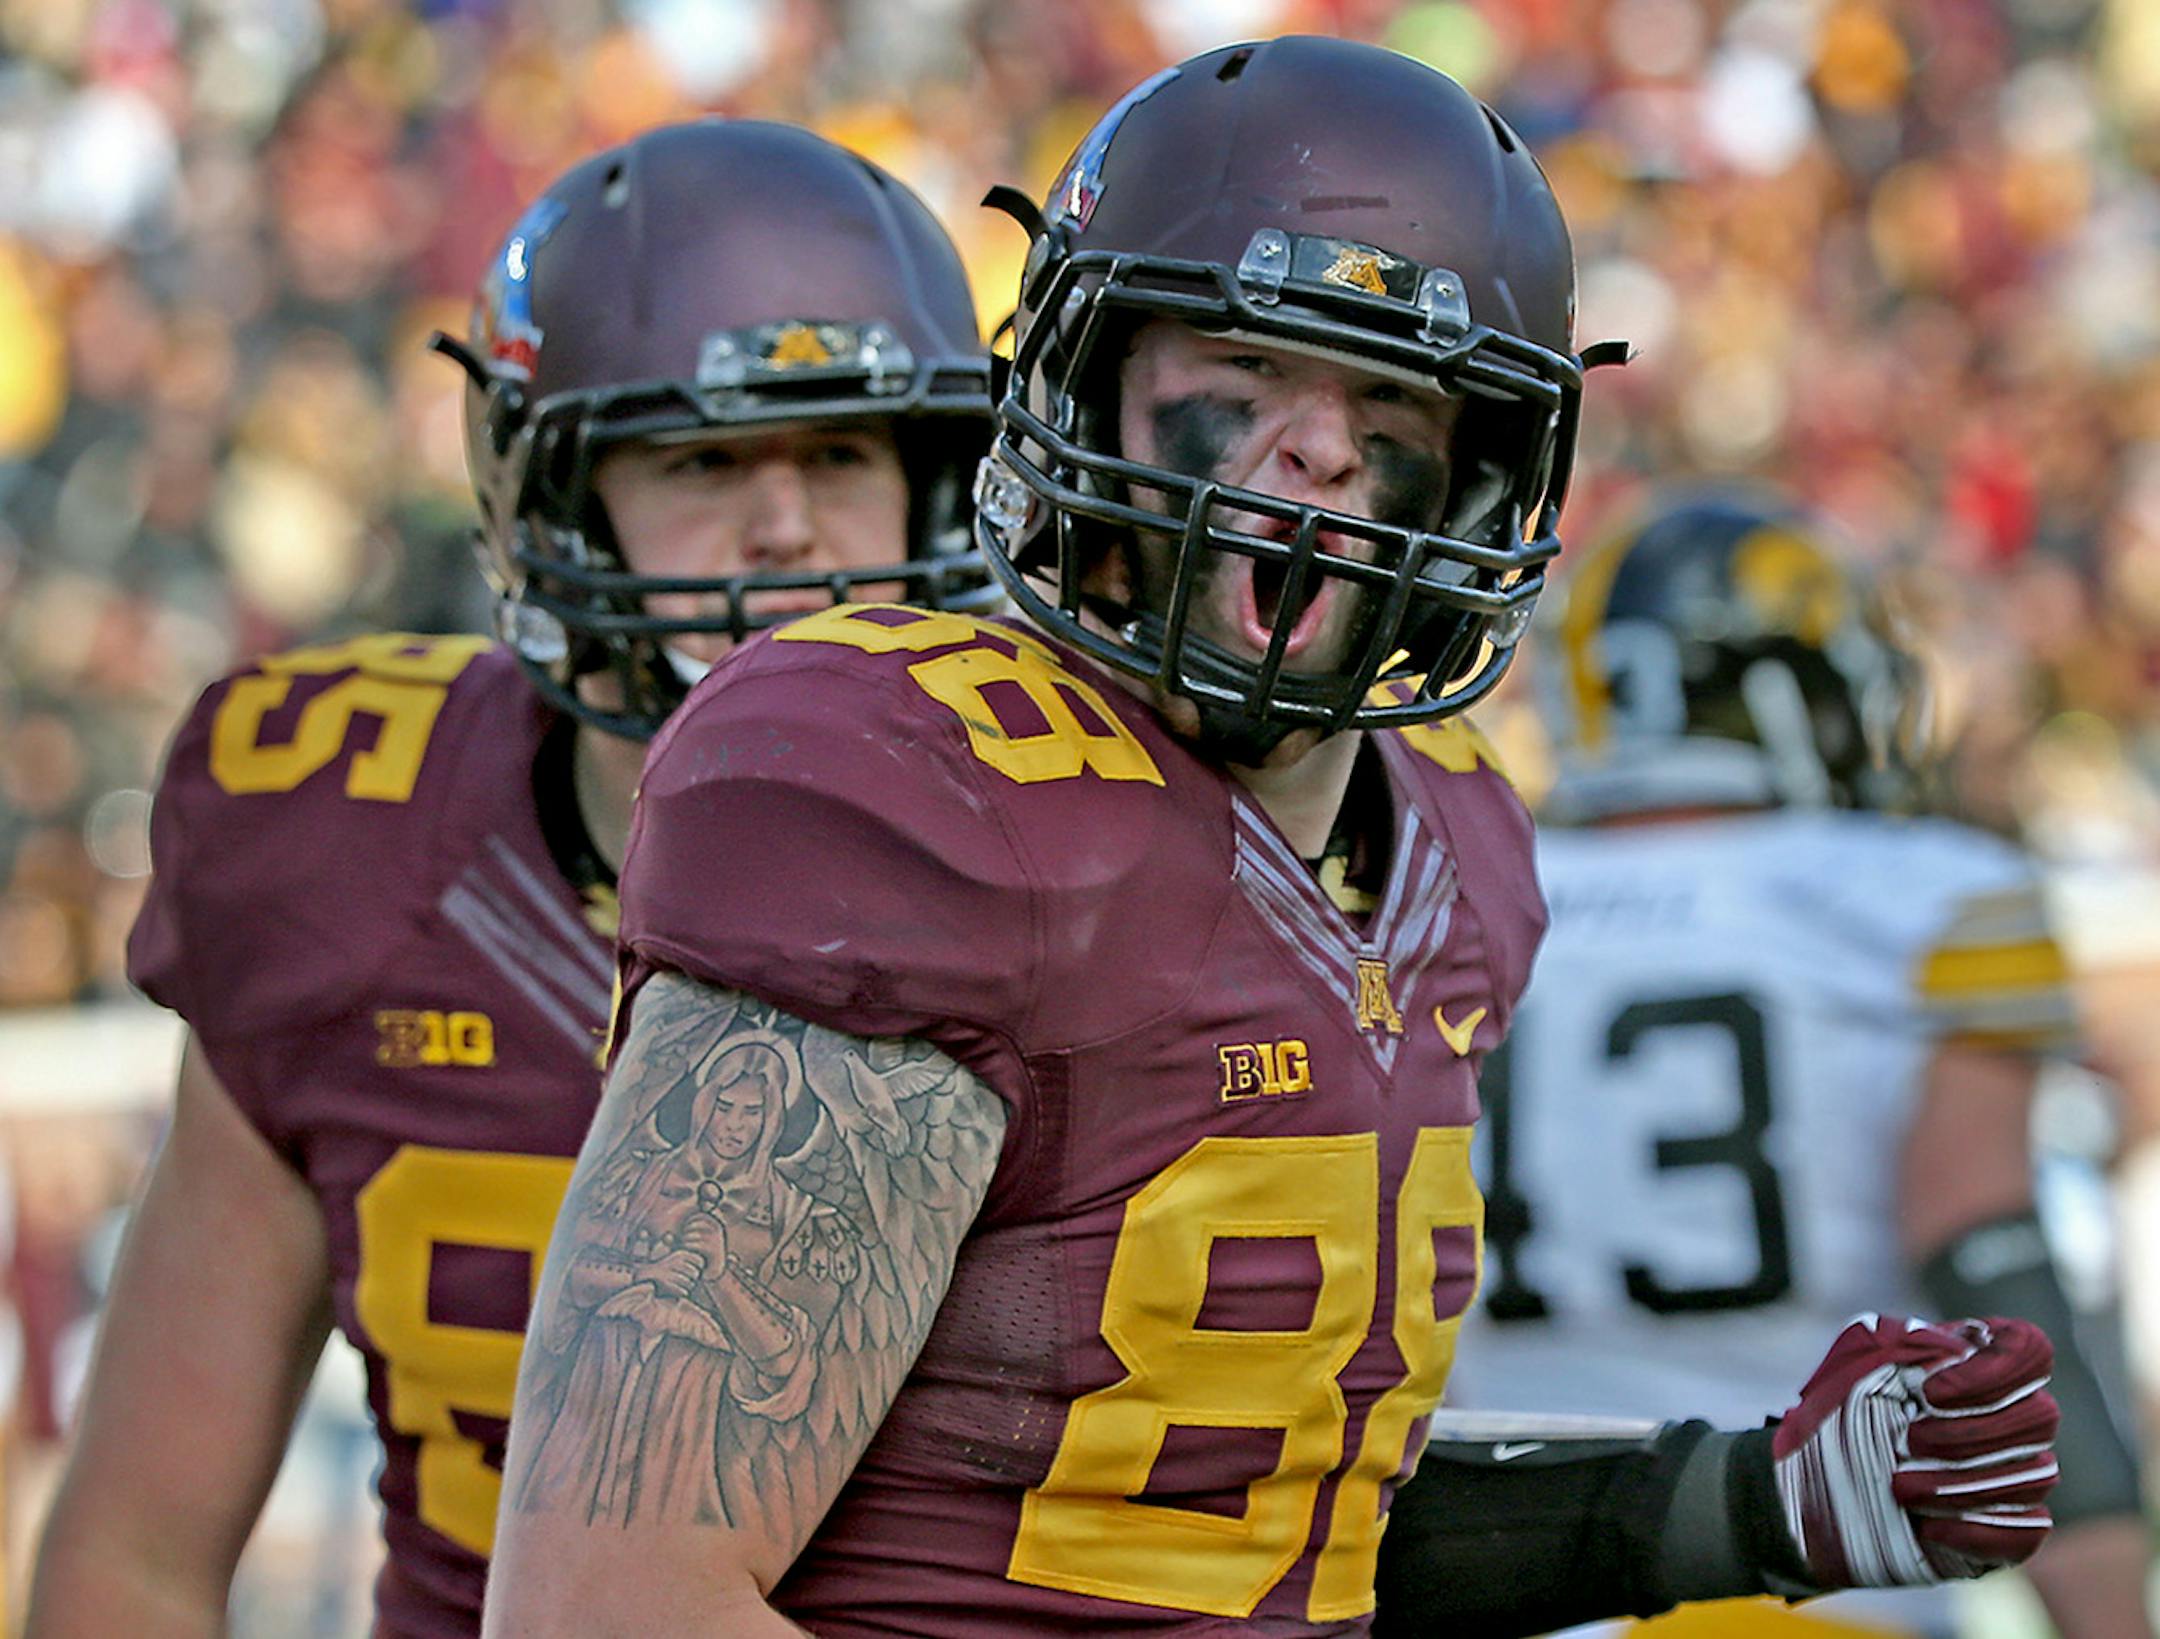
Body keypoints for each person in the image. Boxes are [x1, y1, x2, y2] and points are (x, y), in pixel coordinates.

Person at [485, 40, 2060, 1637]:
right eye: (1242, 367)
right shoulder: (918, 787)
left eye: (1393, 397)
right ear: (1088, 381)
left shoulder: (1453, 847)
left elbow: (1278, 1520)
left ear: (1486, 471)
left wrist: (1747, 1500)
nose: (1318, 446)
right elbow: (609, 1605)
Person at [26, 119, 992, 1639]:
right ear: (553, 501)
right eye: (703, 458)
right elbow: (134, 1560)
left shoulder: (1075, 850)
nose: (787, 526)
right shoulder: (353, 846)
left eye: (840, 452)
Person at [1444, 487, 2151, 1637]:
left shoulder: (1458, 900)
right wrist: (2108, 1608)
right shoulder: (1919, 895)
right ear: (1783, 692)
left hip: (1517, 1586)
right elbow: (1995, 1282)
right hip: (1817, 1590)